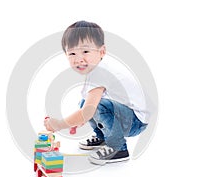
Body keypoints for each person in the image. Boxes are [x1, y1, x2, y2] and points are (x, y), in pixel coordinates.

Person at [44, 20, 149, 165]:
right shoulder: (96, 72)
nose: (78, 59)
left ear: (102, 52)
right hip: (128, 115)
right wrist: (79, 119)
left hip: (136, 121)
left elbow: (88, 112)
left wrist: (60, 124)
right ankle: (103, 137)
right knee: (85, 103)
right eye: (72, 53)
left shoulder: (100, 73)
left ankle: (117, 147)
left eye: (85, 51)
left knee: (95, 107)